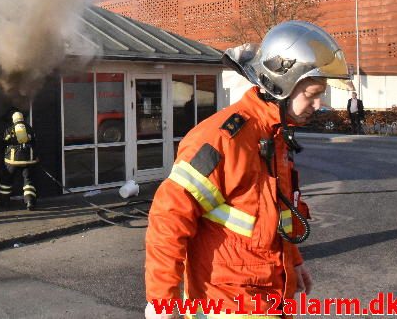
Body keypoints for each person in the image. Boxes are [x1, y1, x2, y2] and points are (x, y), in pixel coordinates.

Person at [145, 21, 354, 319]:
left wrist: (293, 261)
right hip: (227, 302)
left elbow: (273, 216)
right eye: (312, 93)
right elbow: (169, 218)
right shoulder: (222, 140)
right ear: (282, 85)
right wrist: (161, 302)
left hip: (267, 298)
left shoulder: (273, 136)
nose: (319, 104)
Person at [0, 108, 39, 210]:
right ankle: (30, 202)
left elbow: (4, 141)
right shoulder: (29, 128)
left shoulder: (10, 129)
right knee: (28, 181)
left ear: (14, 119)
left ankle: (4, 202)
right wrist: (36, 156)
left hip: (12, 160)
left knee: (6, 180)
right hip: (28, 160)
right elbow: (35, 143)